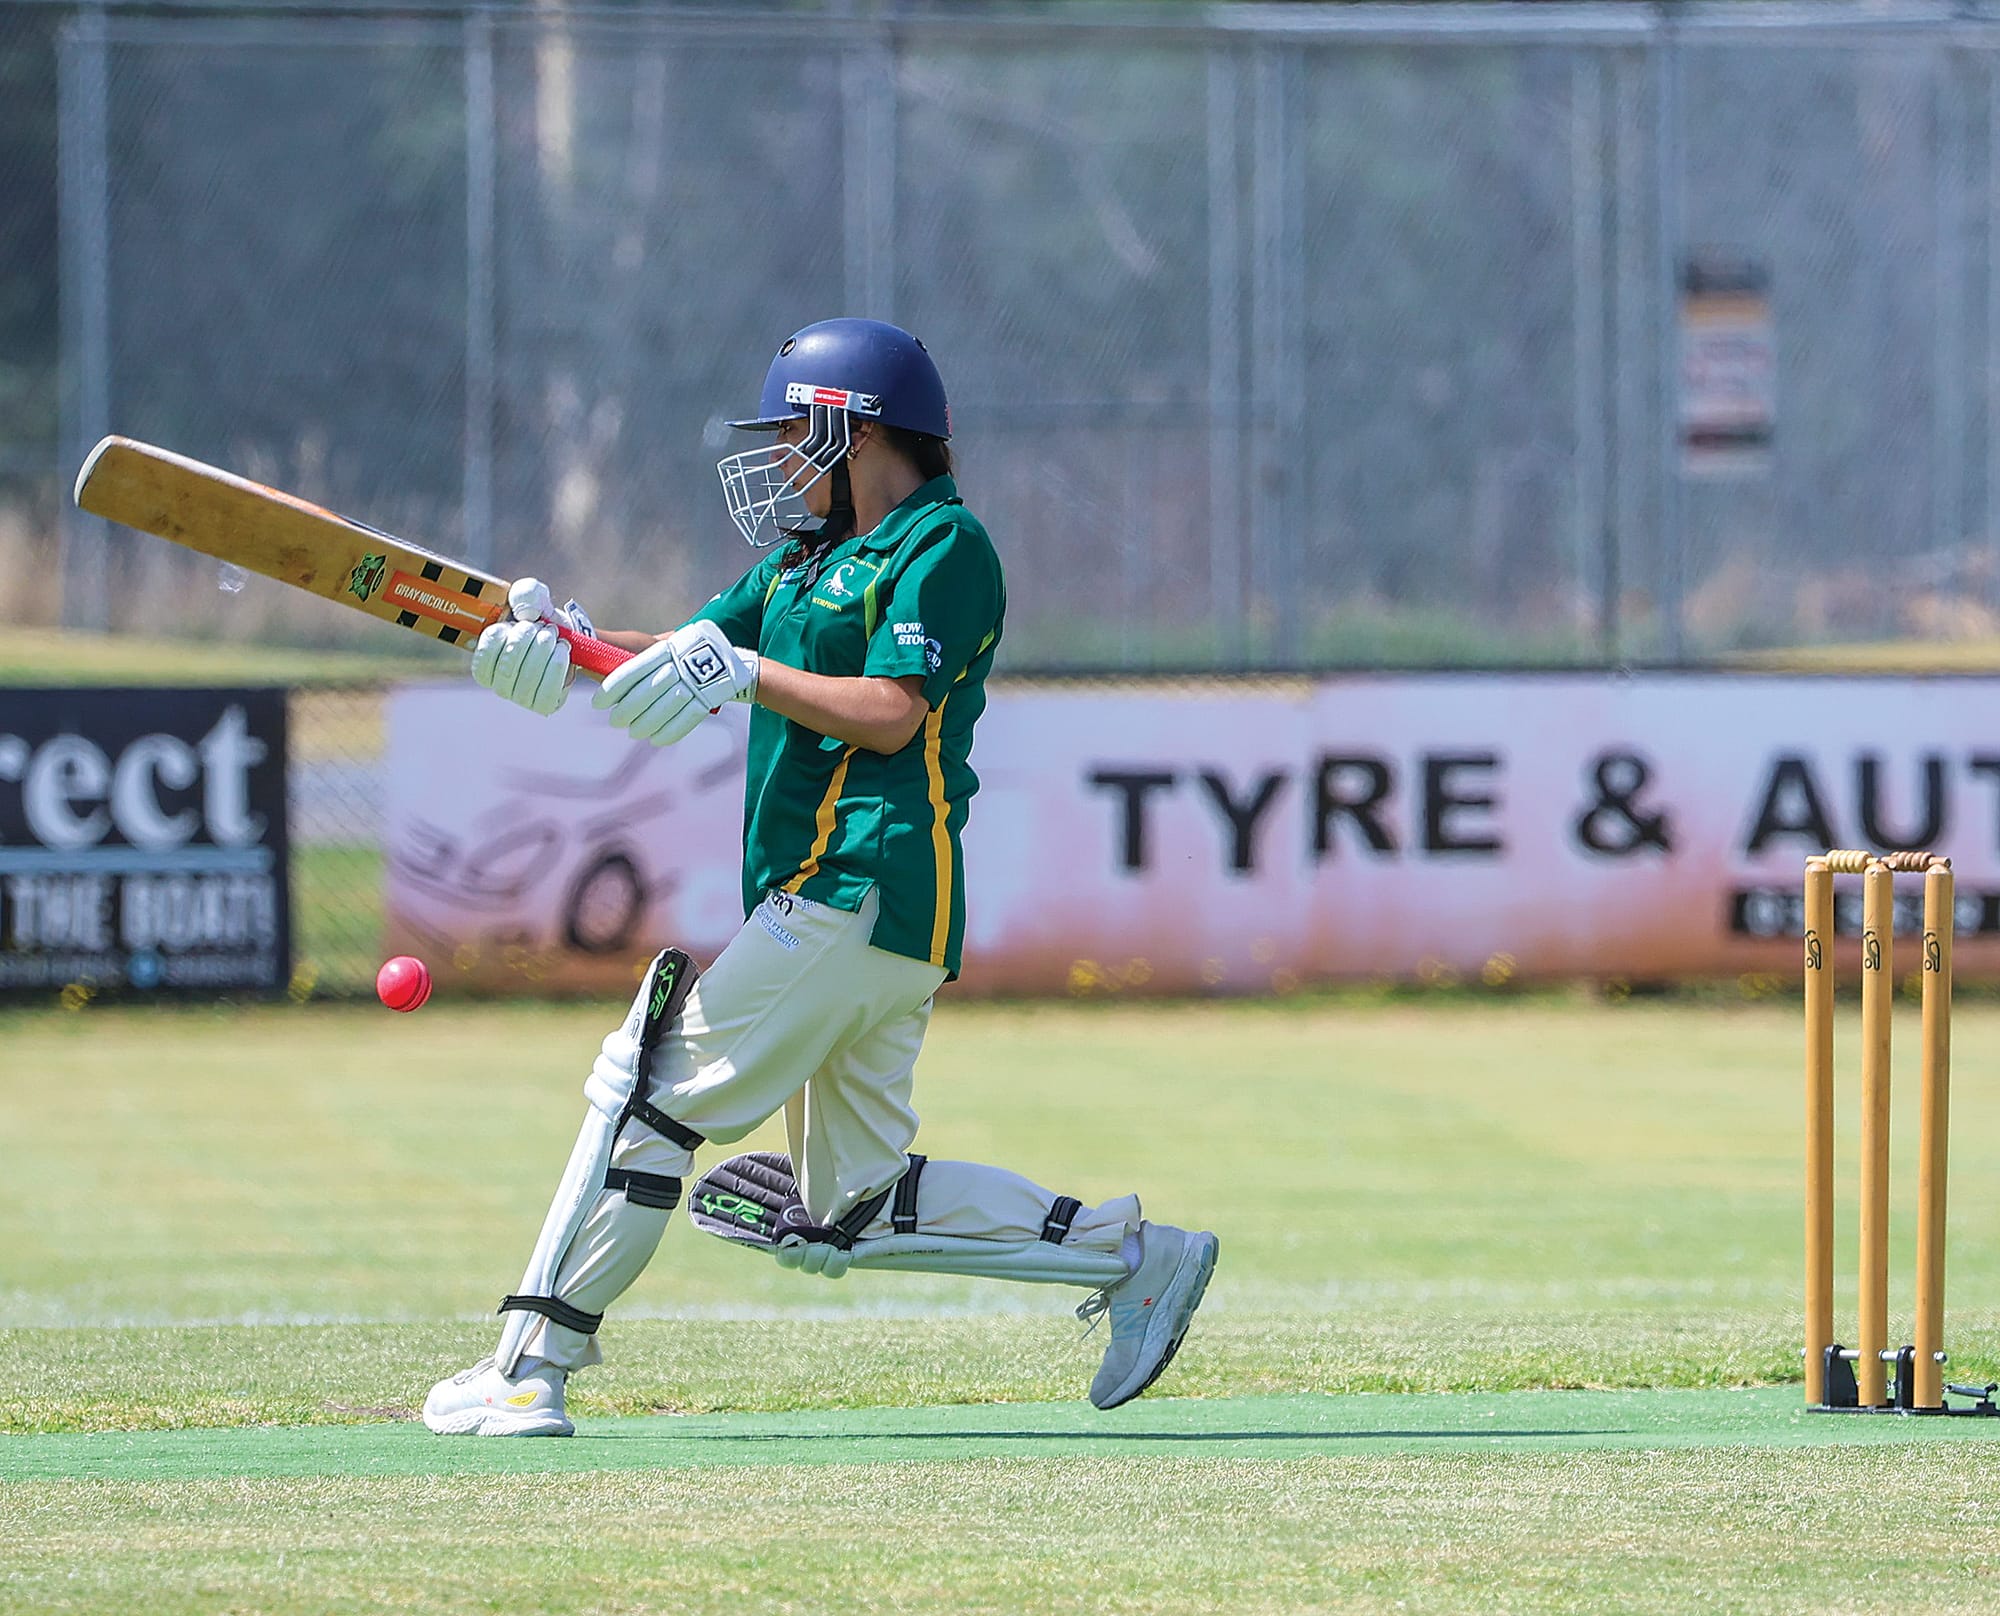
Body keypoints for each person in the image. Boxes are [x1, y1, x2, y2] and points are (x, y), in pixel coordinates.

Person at [422, 317, 1218, 1437]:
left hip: (858, 882)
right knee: (851, 1201)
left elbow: (891, 712)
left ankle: (528, 1365)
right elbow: (686, 655)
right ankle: (1135, 1258)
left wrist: (746, 671)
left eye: (795, 431)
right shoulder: (805, 558)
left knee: (643, 1097)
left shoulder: (943, 546)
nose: (780, 457)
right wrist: (570, 643)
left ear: (859, 430)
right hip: (862, 915)